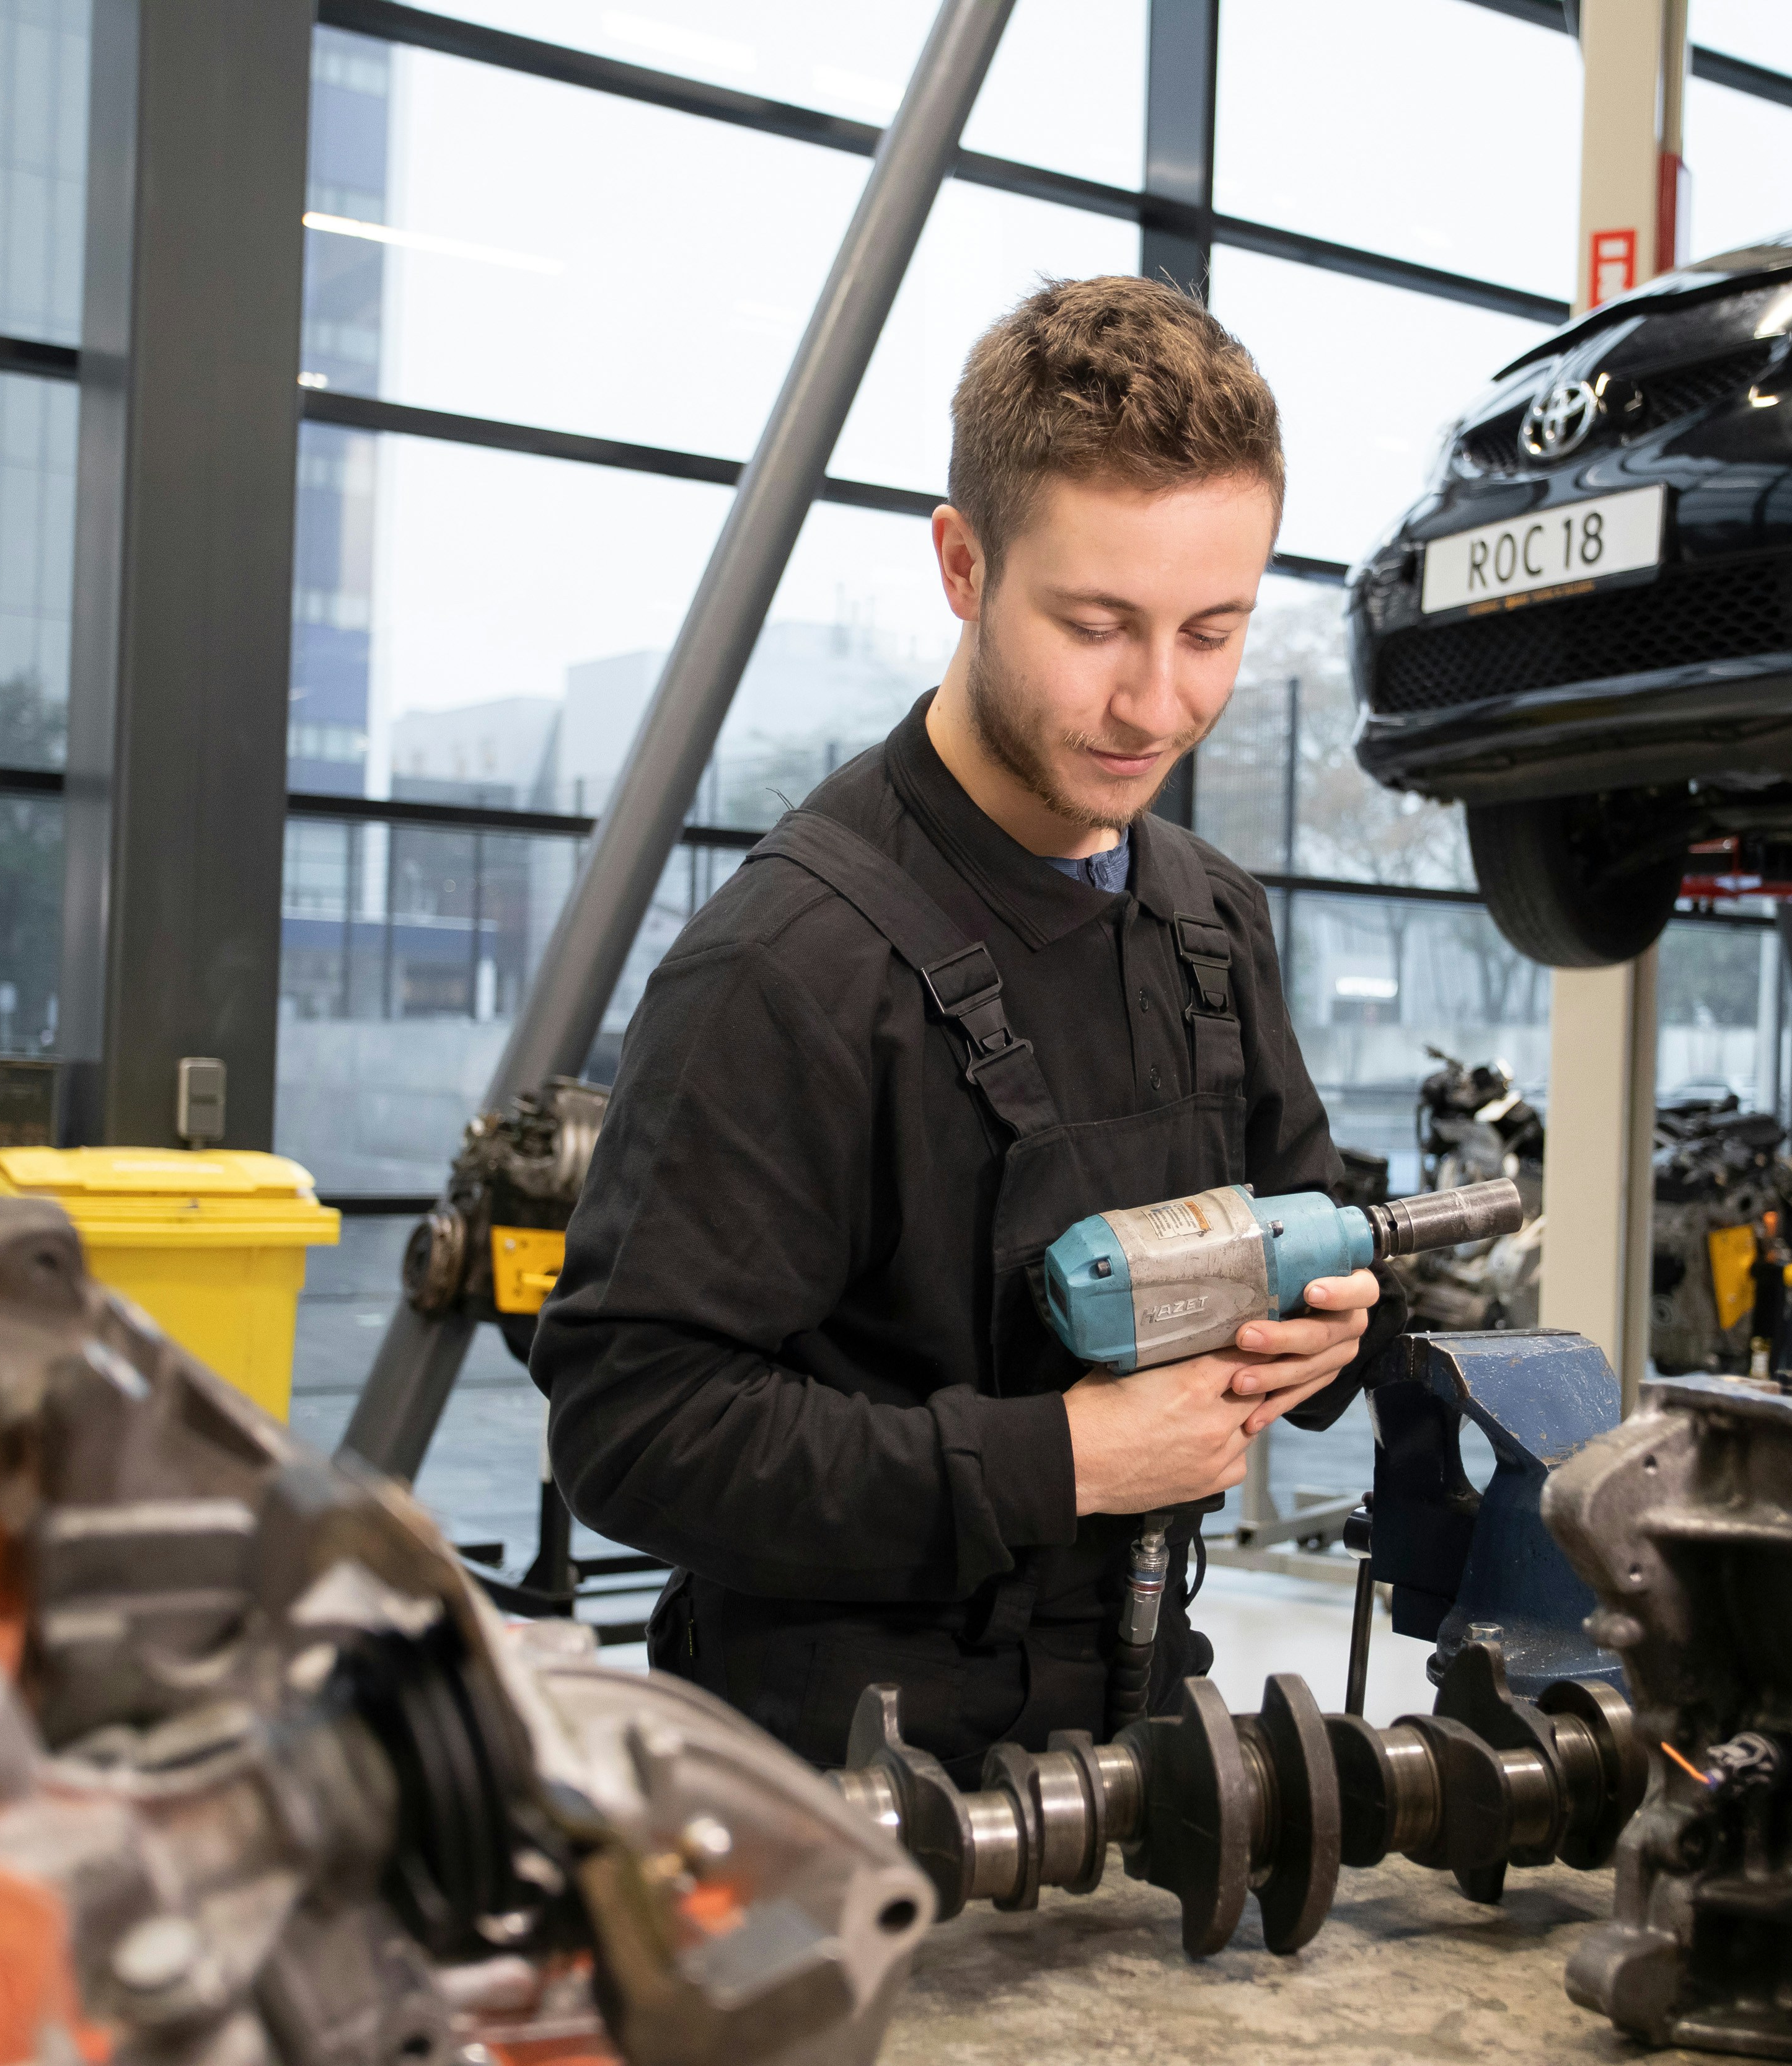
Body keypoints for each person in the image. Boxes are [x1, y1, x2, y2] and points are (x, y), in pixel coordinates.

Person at [531, 276, 1407, 1782]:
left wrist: (1326, 1335)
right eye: (1094, 625)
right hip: (833, 1783)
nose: (1154, 701)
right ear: (961, 563)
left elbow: (1304, 1224)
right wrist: (1062, 1457)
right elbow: (633, 1423)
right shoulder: (785, 966)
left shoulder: (1210, 922)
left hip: (1142, 1749)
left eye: (1213, 631)